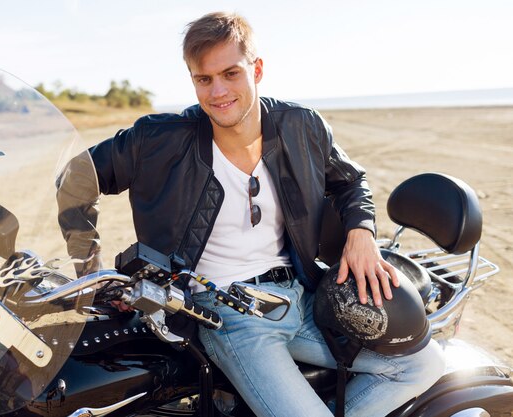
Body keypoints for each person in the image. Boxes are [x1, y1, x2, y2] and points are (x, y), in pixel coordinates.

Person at [56, 11, 445, 417]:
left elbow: (350, 182)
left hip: (302, 295)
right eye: (203, 79)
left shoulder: (302, 126)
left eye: (230, 73)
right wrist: (89, 269)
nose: (218, 91)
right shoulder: (157, 139)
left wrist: (360, 233)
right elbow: (74, 180)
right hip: (226, 313)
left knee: (425, 363)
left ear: (256, 69)